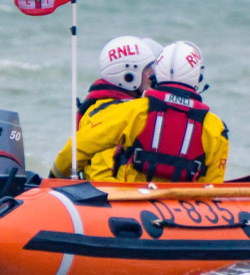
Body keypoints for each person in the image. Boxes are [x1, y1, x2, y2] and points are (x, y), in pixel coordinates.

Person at [75, 41, 229, 184]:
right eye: (148, 68)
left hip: (130, 200)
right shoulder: (216, 128)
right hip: (167, 205)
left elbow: (78, 149)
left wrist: (55, 174)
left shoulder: (133, 111)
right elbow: (211, 188)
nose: (151, 74)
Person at [50, 36, 163, 178]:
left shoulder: (110, 106)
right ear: (128, 75)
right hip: (108, 195)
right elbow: (101, 175)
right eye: (148, 68)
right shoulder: (111, 113)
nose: (153, 73)